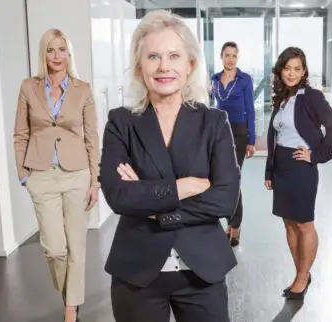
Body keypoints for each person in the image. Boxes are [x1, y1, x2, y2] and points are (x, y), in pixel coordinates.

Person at [99, 10, 240, 322]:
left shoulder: (213, 122)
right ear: (139, 66)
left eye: (174, 56)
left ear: (189, 65)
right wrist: (185, 186)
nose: (164, 66)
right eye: (153, 56)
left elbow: (225, 198)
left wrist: (152, 205)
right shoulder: (121, 123)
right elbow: (118, 195)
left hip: (202, 270)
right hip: (137, 272)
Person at [13, 28, 100, 322]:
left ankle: (70, 309)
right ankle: (70, 295)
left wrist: (95, 180)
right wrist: (25, 176)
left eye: (61, 50)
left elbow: (92, 138)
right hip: (41, 176)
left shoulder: (83, 89)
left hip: (77, 175)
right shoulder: (28, 88)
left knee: (77, 246)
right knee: (54, 248)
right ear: (44, 54)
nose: (56, 56)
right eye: (51, 50)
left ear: (69, 53)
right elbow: (20, 134)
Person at [264, 46, 332, 300]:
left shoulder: (311, 96)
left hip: (301, 166)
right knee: (288, 223)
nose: (291, 73)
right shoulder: (281, 97)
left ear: (304, 71)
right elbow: (273, 135)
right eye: (287, 68)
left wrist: (315, 155)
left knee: (303, 223)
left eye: (297, 69)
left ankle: (302, 276)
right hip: (282, 166)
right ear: (281, 70)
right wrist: (269, 171)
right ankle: (302, 273)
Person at [210, 41, 255, 247]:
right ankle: (229, 221)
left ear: (238, 57)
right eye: (227, 55)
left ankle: (235, 226)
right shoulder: (214, 80)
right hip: (220, 131)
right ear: (221, 57)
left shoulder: (244, 80)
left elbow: (251, 111)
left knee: (233, 178)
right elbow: (211, 106)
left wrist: (251, 140)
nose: (230, 59)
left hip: (239, 132)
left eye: (234, 56)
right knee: (221, 178)